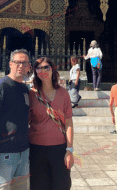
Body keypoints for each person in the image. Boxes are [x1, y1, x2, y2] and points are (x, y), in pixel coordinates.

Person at [0, 49, 31, 189]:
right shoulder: (0, 87)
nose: (21, 66)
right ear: (10, 64)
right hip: (3, 153)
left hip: (23, 152)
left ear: (29, 67)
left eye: (24, 63)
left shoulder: (25, 89)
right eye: (17, 62)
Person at [29, 57, 73, 190]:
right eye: (39, 68)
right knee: (38, 186)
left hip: (59, 148)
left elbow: (69, 123)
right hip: (36, 149)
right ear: (35, 72)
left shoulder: (63, 94)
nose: (43, 71)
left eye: (46, 67)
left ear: (52, 69)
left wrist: (69, 150)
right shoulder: (31, 94)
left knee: (61, 185)